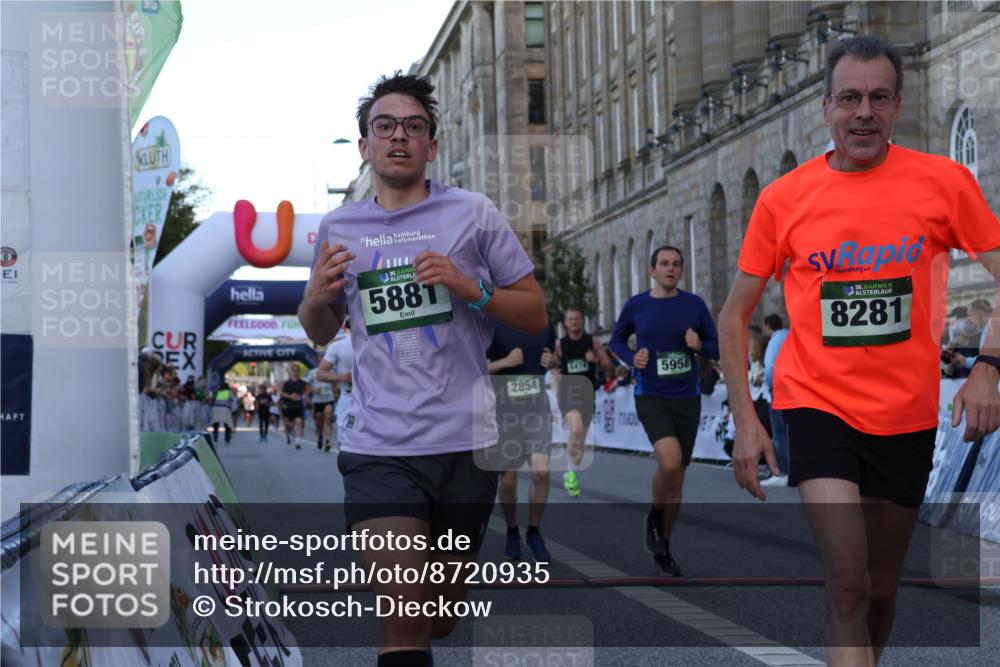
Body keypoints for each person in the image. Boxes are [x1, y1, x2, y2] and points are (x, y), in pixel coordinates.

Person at [718, 35, 1000, 667]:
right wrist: (745, 420)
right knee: (847, 579)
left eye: (878, 98)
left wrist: (988, 367)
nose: (863, 112)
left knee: (878, 589)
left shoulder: (944, 183)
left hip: (906, 414)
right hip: (816, 405)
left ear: (897, 107)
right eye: (850, 98)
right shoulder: (784, 198)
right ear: (826, 109)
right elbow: (733, 315)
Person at [296, 72, 546, 666]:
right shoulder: (339, 228)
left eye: (413, 127)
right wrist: (311, 297)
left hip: (467, 444)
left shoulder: (473, 214)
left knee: (438, 616)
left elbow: (534, 313)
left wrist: (470, 287)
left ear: (432, 144)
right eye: (384, 127)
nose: (399, 137)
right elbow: (322, 328)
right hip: (380, 448)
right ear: (365, 147)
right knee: (403, 614)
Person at [610, 245, 720, 576]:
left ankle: (664, 545)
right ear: (652, 270)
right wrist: (632, 358)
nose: (670, 269)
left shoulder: (694, 305)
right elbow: (616, 341)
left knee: (678, 476)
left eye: (676, 265)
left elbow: (715, 345)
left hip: (687, 396)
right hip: (651, 394)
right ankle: (655, 518)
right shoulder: (636, 305)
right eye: (664, 264)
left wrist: (700, 345)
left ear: (681, 271)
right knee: (669, 461)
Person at [486, 319, 557, 563]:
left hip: (537, 411)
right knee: (508, 481)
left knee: (541, 473)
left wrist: (552, 362)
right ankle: (512, 530)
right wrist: (505, 363)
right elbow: (474, 368)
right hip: (505, 414)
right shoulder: (490, 322)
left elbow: (551, 356)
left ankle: (534, 532)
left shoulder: (543, 321)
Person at [554, 308, 612, 497]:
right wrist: (555, 375)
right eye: (570, 319)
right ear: (565, 323)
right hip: (568, 395)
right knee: (576, 429)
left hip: (588, 395)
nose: (574, 322)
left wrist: (595, 359)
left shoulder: (592, 341)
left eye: (577, 318)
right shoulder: (560, 345)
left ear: (582, 321)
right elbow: (551, 365)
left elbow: (608, 366)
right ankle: (570, 473)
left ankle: (570, 471)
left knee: (580, 442)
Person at [760, 314, 790, 487]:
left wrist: (769, 386)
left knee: (779, 434)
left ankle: (782, 471)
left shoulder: (774, 341)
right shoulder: (790, 335)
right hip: (795, 390)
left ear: (767, 326)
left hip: (778, 391)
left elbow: (770, 367)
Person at [316, 320, 354, 448]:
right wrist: (342, 377)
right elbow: (319, 374)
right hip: (349, 401)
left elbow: (320, 373)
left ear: (345, 328)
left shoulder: (375, 343)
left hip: (369, 403)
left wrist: (341, 377)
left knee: (346, 447)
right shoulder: (339, 346)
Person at [304, 358, 336, 451]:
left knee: (328, 419)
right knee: (319, 423)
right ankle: (320, 436)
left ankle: (328, 441)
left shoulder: (331, 372)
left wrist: (336, 391)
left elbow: (335, 384)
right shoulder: (313, 372)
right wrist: (314, 390)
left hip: (329, 399)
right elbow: (305, 385)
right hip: (317, 401)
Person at [280, 365, 308, 450]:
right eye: (294, 370)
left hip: (299, 405)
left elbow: (309, 389)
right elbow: (281, 393)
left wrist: (305, 396)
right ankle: (289, 433)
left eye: (297, 370)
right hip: (288, 406)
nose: (295, 372)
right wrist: (290, 396)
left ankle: (298, 442)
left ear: (299, 372)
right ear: (291, 372)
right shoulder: (287, 383)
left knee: (298, 422)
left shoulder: (302, 382)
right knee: (288, 424)